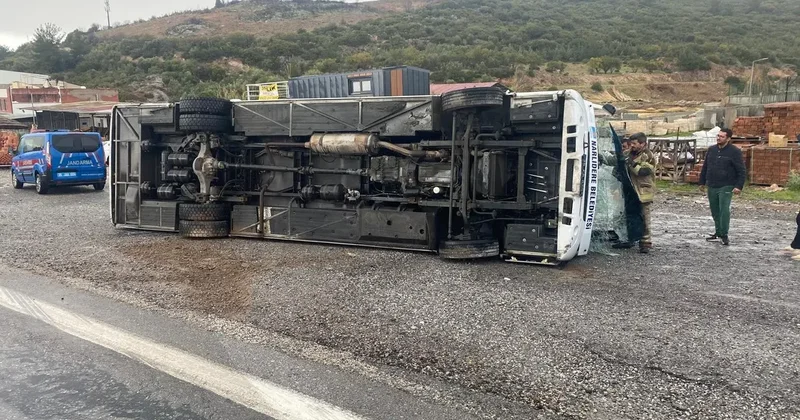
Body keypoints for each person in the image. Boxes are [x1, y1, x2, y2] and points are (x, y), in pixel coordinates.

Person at [699, 128, 746, 246]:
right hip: (712, 184)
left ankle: (724, 234)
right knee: (715, 210)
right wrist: (702, 182)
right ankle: (718, 232)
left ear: (728, 138)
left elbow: (741, 170)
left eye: (722, 136)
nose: (718, 138)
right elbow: (705, 167)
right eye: (718, 135)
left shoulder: (734, 152)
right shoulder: (712, 150)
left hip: (726, 185)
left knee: (724, 210)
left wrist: (738, 186)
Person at [625, 132, 656, 253]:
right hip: (630, 190)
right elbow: (618, 159)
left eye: (634, 143)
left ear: (642, 144)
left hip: (643, 191)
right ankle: (631, 238)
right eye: (631, 143)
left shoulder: (649, 156)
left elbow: (643, 171)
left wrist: (631, 163)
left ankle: (645, 242)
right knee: (631, 215)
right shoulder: (629, 154)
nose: (631, 145)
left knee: (644, 216)